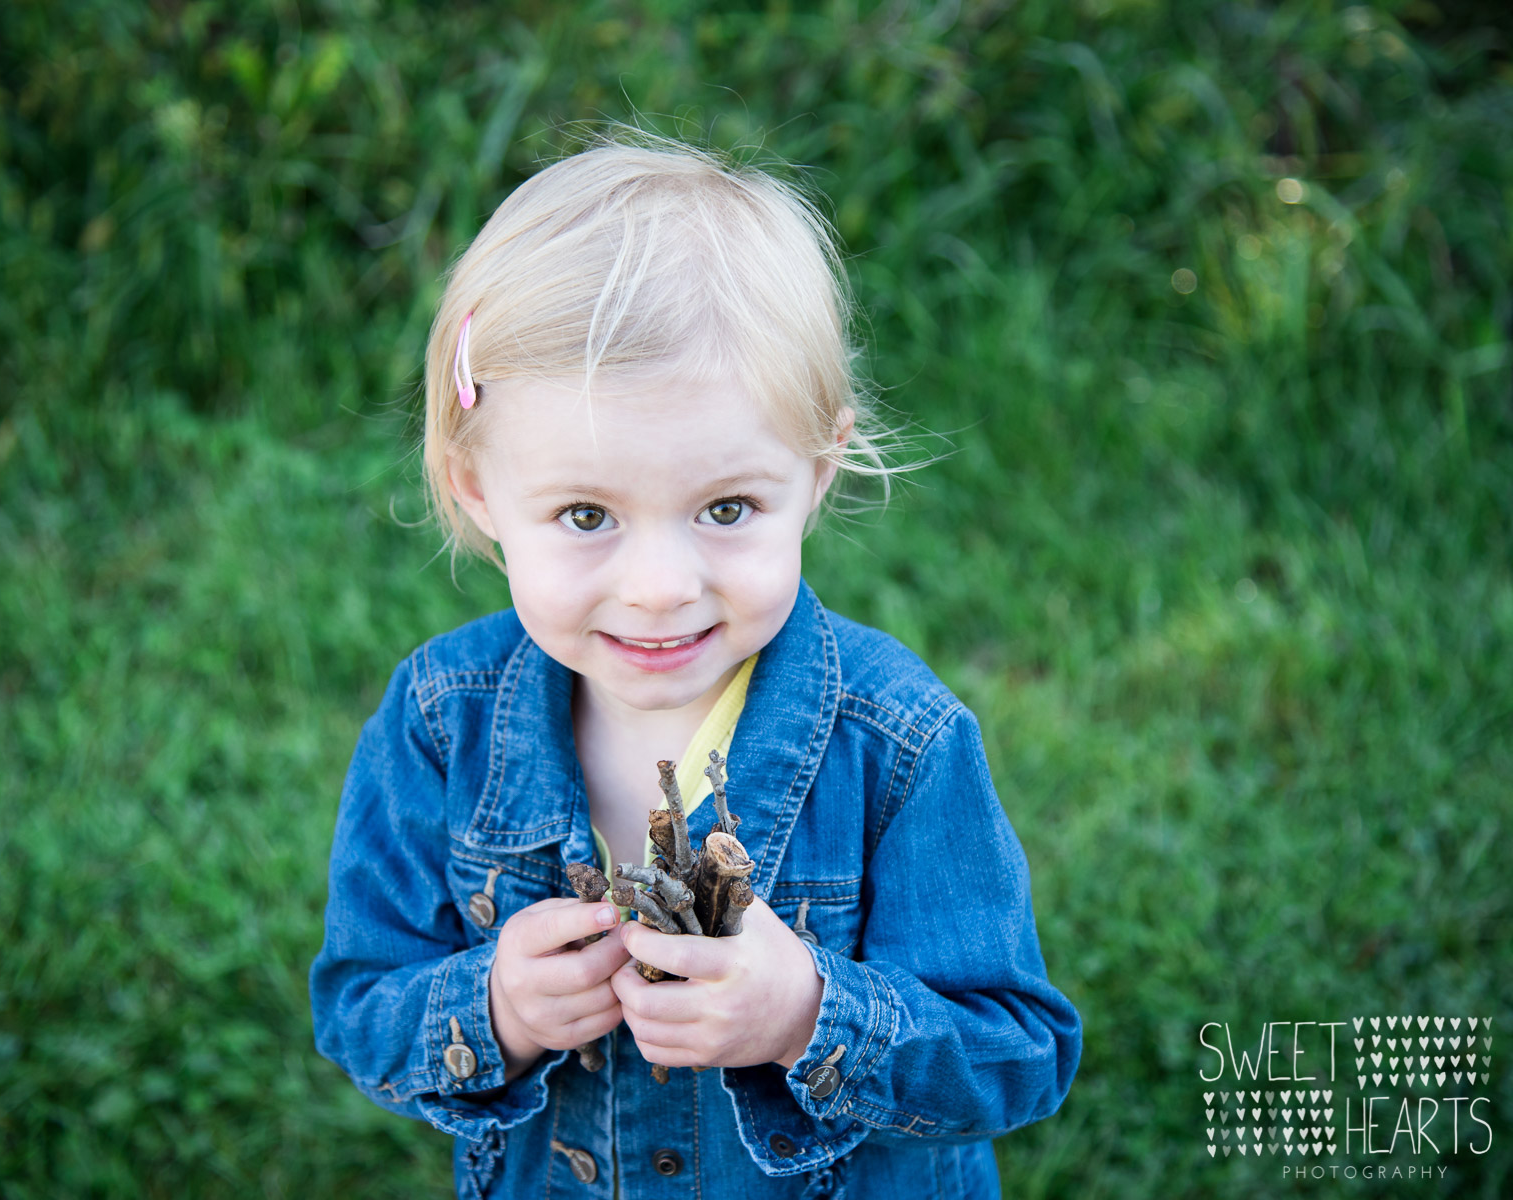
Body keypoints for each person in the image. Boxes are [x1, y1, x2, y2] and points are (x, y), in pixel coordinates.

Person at [310, 134, 1081, 1200]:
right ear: (479, 490)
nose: (663, 584)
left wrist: (809, 1015)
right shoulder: (443, 726)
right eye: (587, 515)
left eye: (726, 509)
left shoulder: (897, 744)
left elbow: (1019, 1053)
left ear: (814, 475)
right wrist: (493, 1011)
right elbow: (359, 1002)